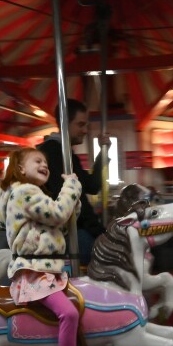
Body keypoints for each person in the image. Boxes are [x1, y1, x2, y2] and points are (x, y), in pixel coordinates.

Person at [0, 147, 106, 346]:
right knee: (68, 313)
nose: (45, 164)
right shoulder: (25, 192)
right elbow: (57, 214)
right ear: (21, 168)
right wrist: (72, 187)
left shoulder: (30, 194)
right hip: (34, 272)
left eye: (45, 161)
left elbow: (64, 223)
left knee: (82, 300)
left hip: (47, 268)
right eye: (37, 161)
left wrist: (73, 200)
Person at [38, 98, 107, 266]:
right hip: (66, 232)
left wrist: (103, 152)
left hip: (75, 227)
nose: (85, 130)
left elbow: (91, 186)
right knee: (108, 260)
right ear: (64, 124)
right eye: (80, 124)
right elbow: (68, 200)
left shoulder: (67, 154)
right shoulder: (52, 153)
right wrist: (97, 231)